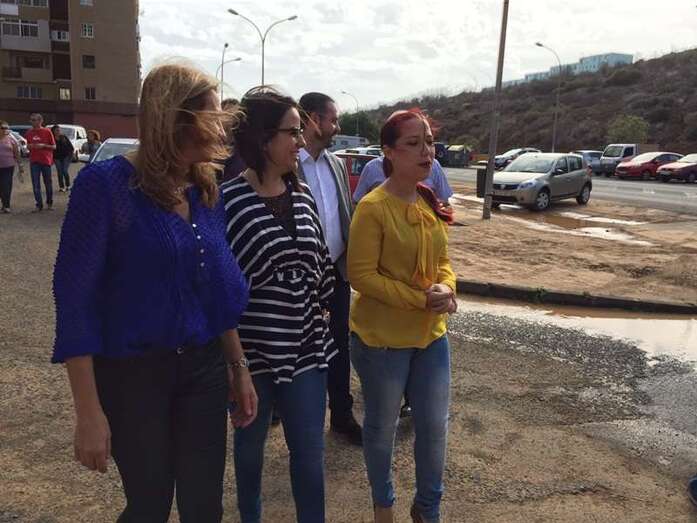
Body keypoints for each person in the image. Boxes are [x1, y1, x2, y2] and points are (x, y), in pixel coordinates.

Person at [52, 63, 253, 522]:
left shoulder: (205, 189)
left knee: (204, 506)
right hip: (133, 376)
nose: (221, 129)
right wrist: (88, 412)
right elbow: (75, 301)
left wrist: (238, 367)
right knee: (149, 505)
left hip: (202, 369)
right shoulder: (104, 187)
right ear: (173, 119)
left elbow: (214, 294)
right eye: (210, 117)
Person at [221, 86, 335, 523]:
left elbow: (321, 262)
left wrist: (323, 307)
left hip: (306, 351)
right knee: (249, 455)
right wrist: (235, 365)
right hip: (252, 357)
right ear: (264, 137)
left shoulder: (302, 195)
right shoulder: (228, 201)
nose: (301, 141)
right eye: (293, 132)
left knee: (309, 455)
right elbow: (220, 288)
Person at [347, 109, 457, 523]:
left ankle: (428, 509)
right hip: (382, 342)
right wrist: (419, 299)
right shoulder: (373, 207)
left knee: (434, 427)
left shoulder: (428, 199)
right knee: (381, 428)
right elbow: (360, 276)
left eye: (429, 142)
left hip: (431, 336)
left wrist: (447, 288)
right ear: (389, 153)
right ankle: (384, 506)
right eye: (413, 143)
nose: (426, 151)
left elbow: (444, 261)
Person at [298, 92, 362, 446]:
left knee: (339, 346)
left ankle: (341, 416)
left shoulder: (336, 164)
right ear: (312, 119)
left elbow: (345, 213)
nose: (337, 127)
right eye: (333, 120)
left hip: (335, 274)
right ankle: (285, 411)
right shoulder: (287, 164)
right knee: (298, 347)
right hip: (300, 278)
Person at [353, 156, 453, 206]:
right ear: (388, 149)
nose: (425, 149)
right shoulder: (372, 168)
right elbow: (357, 202)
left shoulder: (434, 166)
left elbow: (444, 201)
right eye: (413, 143)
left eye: (429, 142)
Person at [25, 113, 56, 211]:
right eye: (31, 120)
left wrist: (43, 145)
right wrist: (29, 146)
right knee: (35, 184)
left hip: (45, 160)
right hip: (34, 161)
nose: (32, 122)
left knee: (48, 183)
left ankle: (49, 203)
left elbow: (54, 146)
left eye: (34, 120)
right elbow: (27, 146)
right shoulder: (29, 132)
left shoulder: (47, 131)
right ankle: (39, 204)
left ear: (40, 121)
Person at [0, 121, 23, 213]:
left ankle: (6, 205)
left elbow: (16, 153)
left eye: (7, 128)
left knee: (6, 185)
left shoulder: (11, 139)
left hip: (8, 167)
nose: (5, 130)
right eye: (3, 128)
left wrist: (20, 165)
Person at [52, 125, 74, 192]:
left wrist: (71, 154)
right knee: (59, 172)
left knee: (64, 170)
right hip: (56, 157)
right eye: (57, 130)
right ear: (53, 131)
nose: (58, 131)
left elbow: (71, 147)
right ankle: (61, 187)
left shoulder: (64, 137)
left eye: (59, 130)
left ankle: (68, 185)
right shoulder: (52, 138)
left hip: (66, 156)